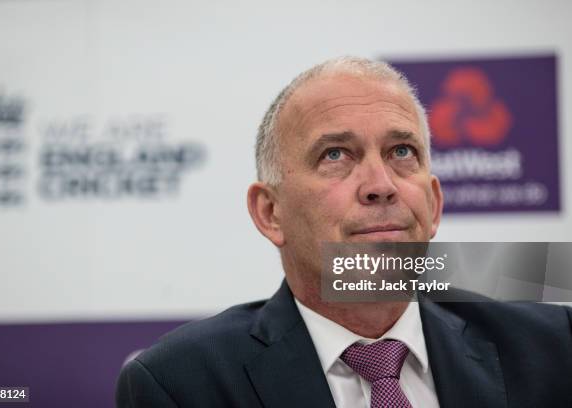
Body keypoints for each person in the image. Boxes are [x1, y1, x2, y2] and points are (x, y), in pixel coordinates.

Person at [116, 57, 572, 407]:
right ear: (270, 212)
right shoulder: (182, 384)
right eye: (336, 155)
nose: (381, 186)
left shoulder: (554, 349)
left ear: (433, 204)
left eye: (401, 151)